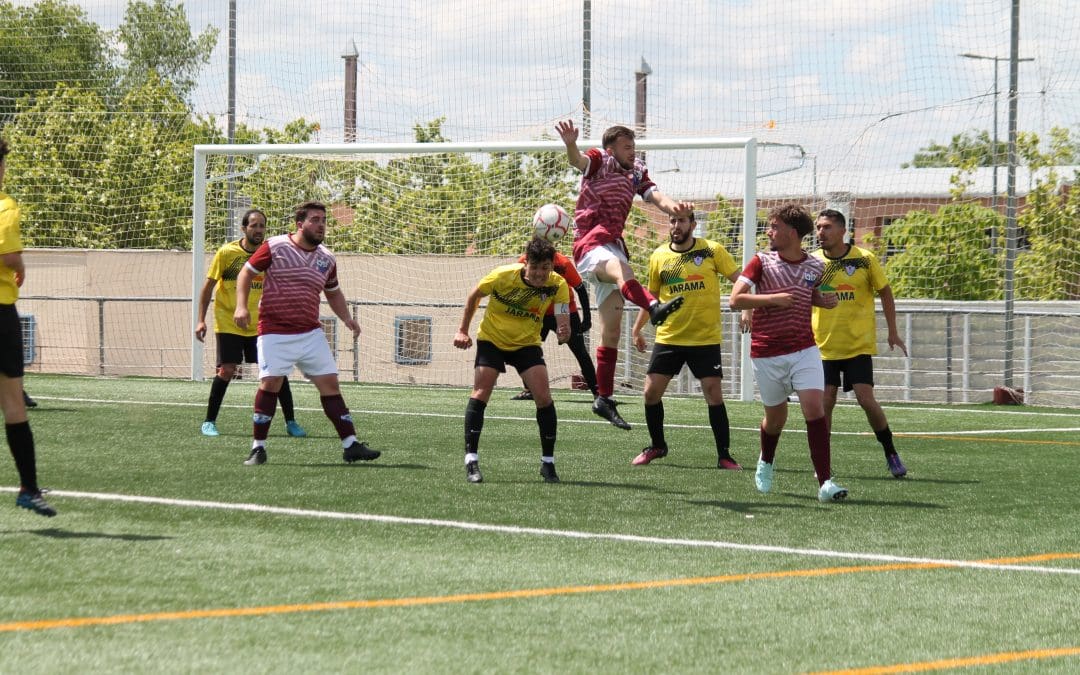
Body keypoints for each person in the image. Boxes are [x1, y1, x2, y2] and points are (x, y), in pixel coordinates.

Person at [556, 119, 690, 431]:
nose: (632, 152)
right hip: (590, 246)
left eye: (634, 147)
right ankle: (653, 306)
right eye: (627, 147)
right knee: (621, 269)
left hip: (613, 245)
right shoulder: (599, 160)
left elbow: (656, 196)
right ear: (611, 149)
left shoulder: (637, 170)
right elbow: (577, 161)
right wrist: (570, 144)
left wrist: (676, 209)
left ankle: (603, 398)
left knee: (612, 331)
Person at [234, 201, 379, 466]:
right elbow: (246, 273)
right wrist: (241, 306)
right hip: (275, 331)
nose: (321, 225)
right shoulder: (276, 246)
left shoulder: (327, 258)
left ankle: (351, 445)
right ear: (300, 224)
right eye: (315, 220)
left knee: (330, 384)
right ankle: (258, 448)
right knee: (271, 384)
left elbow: (333, 292)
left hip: (310, 333)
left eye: (323, 220)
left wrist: (347, 318)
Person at [729, 203, 849, 503]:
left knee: (814, 408)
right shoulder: (761, 261)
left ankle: (825, 482)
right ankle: (766, 460)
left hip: (804, 349)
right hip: (766, 352)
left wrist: (823, 301)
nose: (769, 232)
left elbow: (809, 294)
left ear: (792, 233)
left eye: (774, 227)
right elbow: (735, 300)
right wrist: (771, 300)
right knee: (775, 419)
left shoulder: (815, 266)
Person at [630, 212, 749, 469]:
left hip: (704, 338)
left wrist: (747, 309)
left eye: (682, 221)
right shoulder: (659, 255)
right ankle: (657, 446)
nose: (676, 225)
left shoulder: (711, 250)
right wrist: (637, 328)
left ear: (693, 225)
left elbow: (740, 281)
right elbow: (650, 297)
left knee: (714, 394)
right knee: (650, 393)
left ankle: (725, 456)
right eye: (672, 221)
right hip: (669, 337)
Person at [453, 236, 571, 484]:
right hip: (492, 339)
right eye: (535, 267)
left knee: (544, 397)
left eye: (545, 268)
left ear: (551, 266)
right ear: (525, 264)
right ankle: (471, 460)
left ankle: (548, 464)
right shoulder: (502, 275)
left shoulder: (558, 285)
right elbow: (474, 295)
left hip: (526, 343)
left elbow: (563, 317)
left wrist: (564, 331)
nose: (540, 274)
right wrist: (462, 330)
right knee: (481, 392)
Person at [812, 209, 909, 478]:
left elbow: (885, 292)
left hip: (858, 345)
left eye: (827, 227)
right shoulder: (812, 262)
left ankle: (890, 452)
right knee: (825, 401)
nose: (821, 232)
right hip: (823, 346)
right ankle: (823, 463)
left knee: (866, 399)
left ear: (843, 230)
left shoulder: (864, 259)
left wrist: (892, 331)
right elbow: (802, 295)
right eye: (818, 227)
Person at [195, 209, 306, 438]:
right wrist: (200, 320)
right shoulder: (227, 253)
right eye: (254, 225)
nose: (258, 230)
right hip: (229, 321)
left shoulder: (270, 253)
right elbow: (208, 288)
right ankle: (209, 421)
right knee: (227, 369)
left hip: (262, 323)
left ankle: (291, 422)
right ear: (244, 228)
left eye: (262, 225)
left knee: (276, 370)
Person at [0, 138, 55, 516]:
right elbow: (7, 254)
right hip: (1, 312)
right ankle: (28, 488)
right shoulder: (5, 206)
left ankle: (29, 487)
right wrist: (20, 265)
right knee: (13, 401)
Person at [509, 236, 598, 402]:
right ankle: (529, 390)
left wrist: (587, 318)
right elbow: (515, 287)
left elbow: (580, 288)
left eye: (545, 266)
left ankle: (598, 394)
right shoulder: (522, 262)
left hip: (564, 309)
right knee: (526, 349)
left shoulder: (563, 263)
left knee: (580, 352)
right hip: (538, 311)